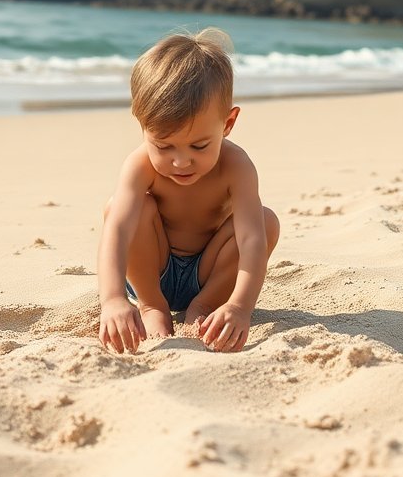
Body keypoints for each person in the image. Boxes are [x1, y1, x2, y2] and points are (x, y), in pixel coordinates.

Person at [97, 28, 280, 354]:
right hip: (152, 269)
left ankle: (204, 308)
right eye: (164, 146)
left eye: (199, 145)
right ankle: (153, 308)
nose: (181, 161)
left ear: (228, 124)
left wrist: (239, 307)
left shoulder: (236, 166)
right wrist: (112, 299)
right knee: (119, 208)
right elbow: (118, 229)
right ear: (142, 125)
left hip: (209, 274)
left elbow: (252, 240)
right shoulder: (140, 166)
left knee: (266, 222)